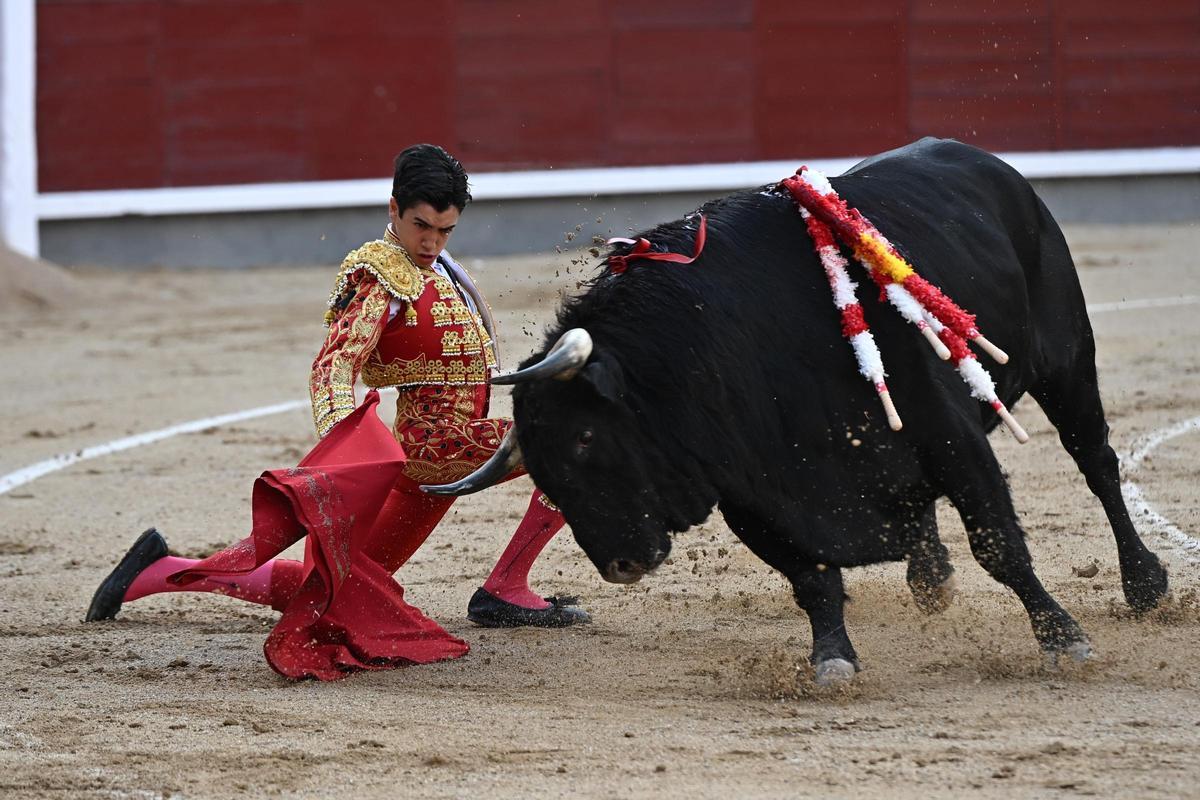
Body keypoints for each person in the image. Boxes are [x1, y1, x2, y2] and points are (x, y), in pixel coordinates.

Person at [86, 144, 588, 680]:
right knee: (574, 441)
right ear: (393, 208)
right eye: (421, 226)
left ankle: (160, 569)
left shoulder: (442, 268)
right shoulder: (379, 279)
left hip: (438, 465)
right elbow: (332, 367)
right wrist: (344, 456)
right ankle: (505, 588)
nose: (432, 242)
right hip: (431, 448)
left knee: (329, 587)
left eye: (445, 231)